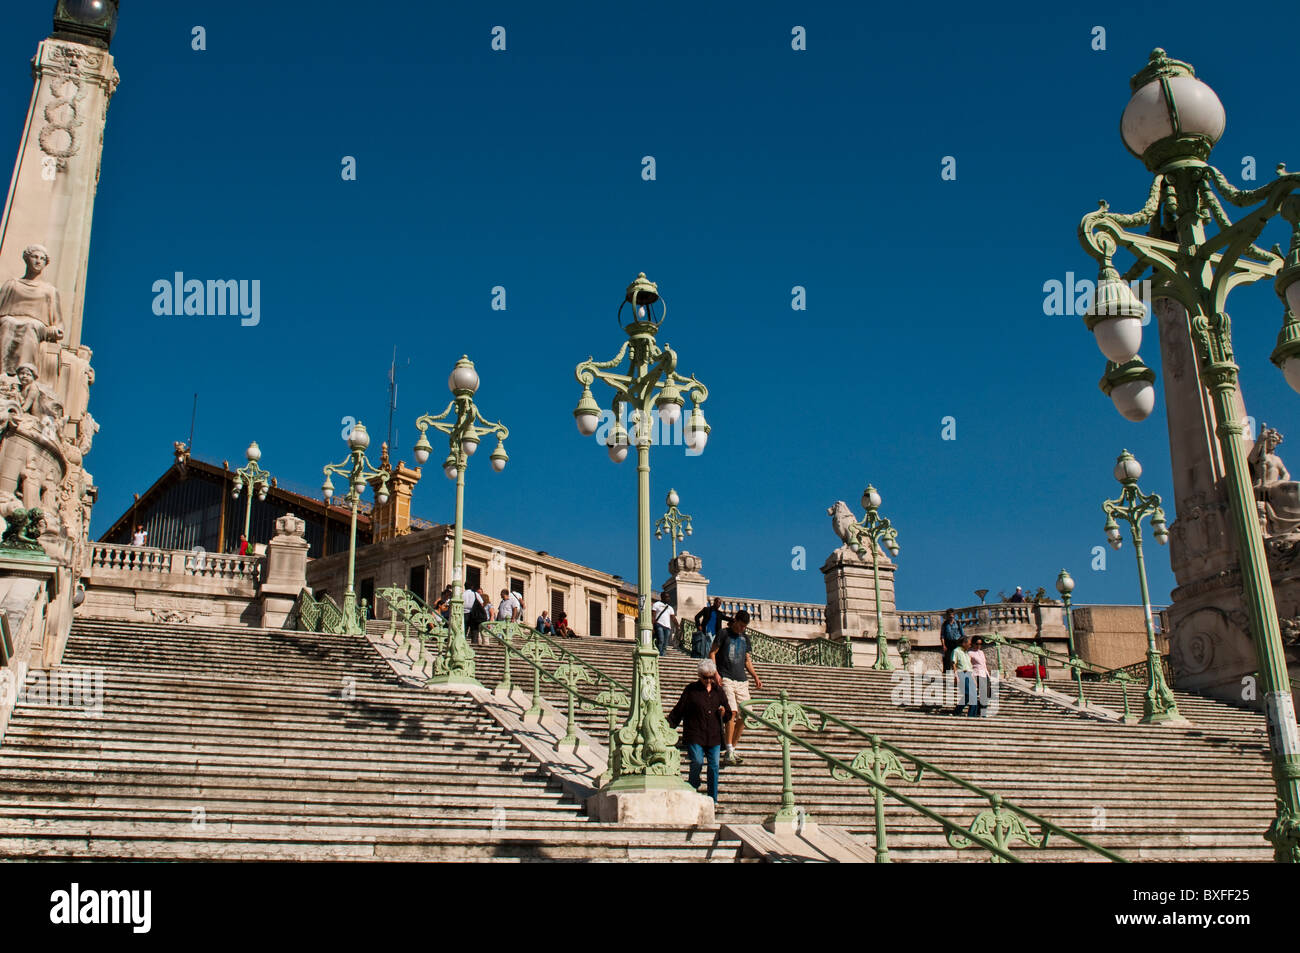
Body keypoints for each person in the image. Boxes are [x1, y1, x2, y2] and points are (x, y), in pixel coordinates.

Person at [668, 659, 731, 803]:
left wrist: (724, 713)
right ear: (699, 676)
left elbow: (728, 714)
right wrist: (668, 725)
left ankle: (712, 798)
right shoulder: (691, 690)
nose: (708, 680)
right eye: (705, 677)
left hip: (714, 735)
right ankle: (693, 785)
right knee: (697, 761)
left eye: (711, 677)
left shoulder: (719, 691)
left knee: (714, 766)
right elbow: (679, 710)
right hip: (695, 734)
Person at [709, 609, 763, 765]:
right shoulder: (723, 633)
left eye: (744, 626)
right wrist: (715, 673)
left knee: (745, 714)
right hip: (726, 678)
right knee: (732, 712)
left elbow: (747, 660)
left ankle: (731, 748)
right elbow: (712, 653)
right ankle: (729, 749)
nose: (742, 629)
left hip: (742, 680)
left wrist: (755, 676)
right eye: (740, 625)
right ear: (735, 621)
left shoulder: (745, 638)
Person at [952, 635, 978, 716]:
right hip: (962, 673)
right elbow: (953, 663)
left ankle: (972, 715)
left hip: (969, 674)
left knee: (974, 695)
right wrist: (956, 676)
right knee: (968, 694)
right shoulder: (956, 651)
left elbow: (969, 667)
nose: (970, 645)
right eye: (969, 644)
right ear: (964, 643)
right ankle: (957, 711)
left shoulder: (966, 653)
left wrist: (973, 679)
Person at [969, 636, 990, 717]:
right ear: (973, 644)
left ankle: (981, 710)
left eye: (980, 644)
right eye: (977, 644)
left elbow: (984, 664)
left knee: (987, 694)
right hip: (976, 674)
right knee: (982, 694)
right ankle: (981, 712)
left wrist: (988, 675)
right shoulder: (970, 653)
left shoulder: (981, 652)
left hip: (984, 674)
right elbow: (969, 666)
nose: (978, 645)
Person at [651, 591, 677, 656]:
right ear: (662, 597)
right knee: (661, 640)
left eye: (669, 597)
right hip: (659, 624)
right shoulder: (656, 604)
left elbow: (673, 618)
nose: (668, 598)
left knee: (665, 643)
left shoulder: (670, 608)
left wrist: (678, 625)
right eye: (667, 597)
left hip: (667, 627)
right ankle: (659, 654)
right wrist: (652, 626)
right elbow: (653, 616)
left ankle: (663, 655)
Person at [939, 608, 964, 673]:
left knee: (958, 659)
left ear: (954, 615)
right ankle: (947, 674)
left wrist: (962, 644)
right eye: (949, 615)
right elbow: (942, 636)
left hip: (957, 642)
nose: (951, 616)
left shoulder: (958, 623)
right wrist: (943, 645)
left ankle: (959, 673)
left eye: (952, 615)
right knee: (947, 660)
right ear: (947, 615)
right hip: (948, 643)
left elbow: (962, 634)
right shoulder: (945, 624)